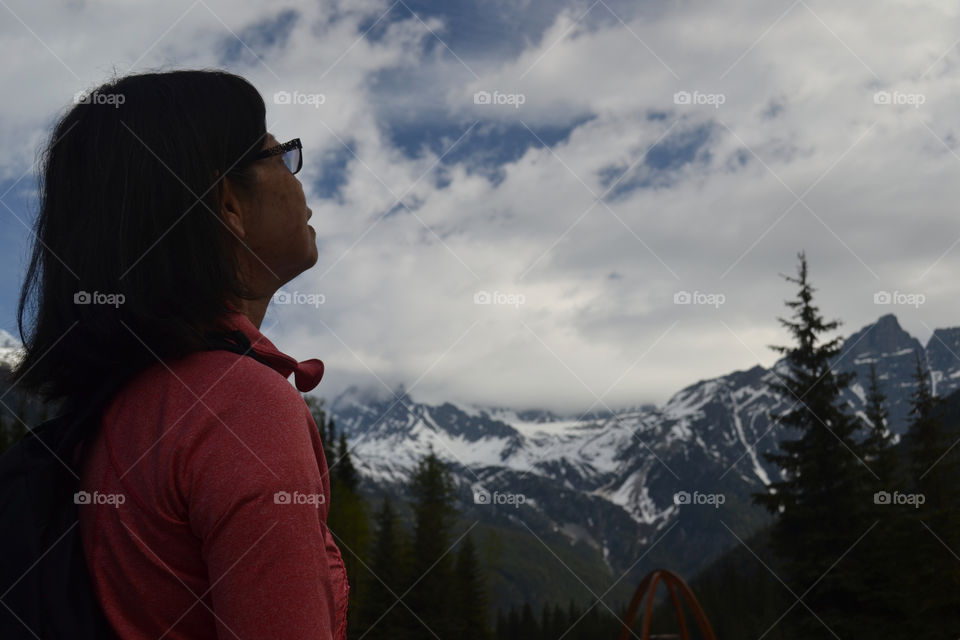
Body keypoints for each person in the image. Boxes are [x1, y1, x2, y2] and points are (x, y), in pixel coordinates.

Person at [9, 69, 348, 639]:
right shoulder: (242, 409)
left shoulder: (125, 406)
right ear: (228, 205)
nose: (298, 181)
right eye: (279, 155)